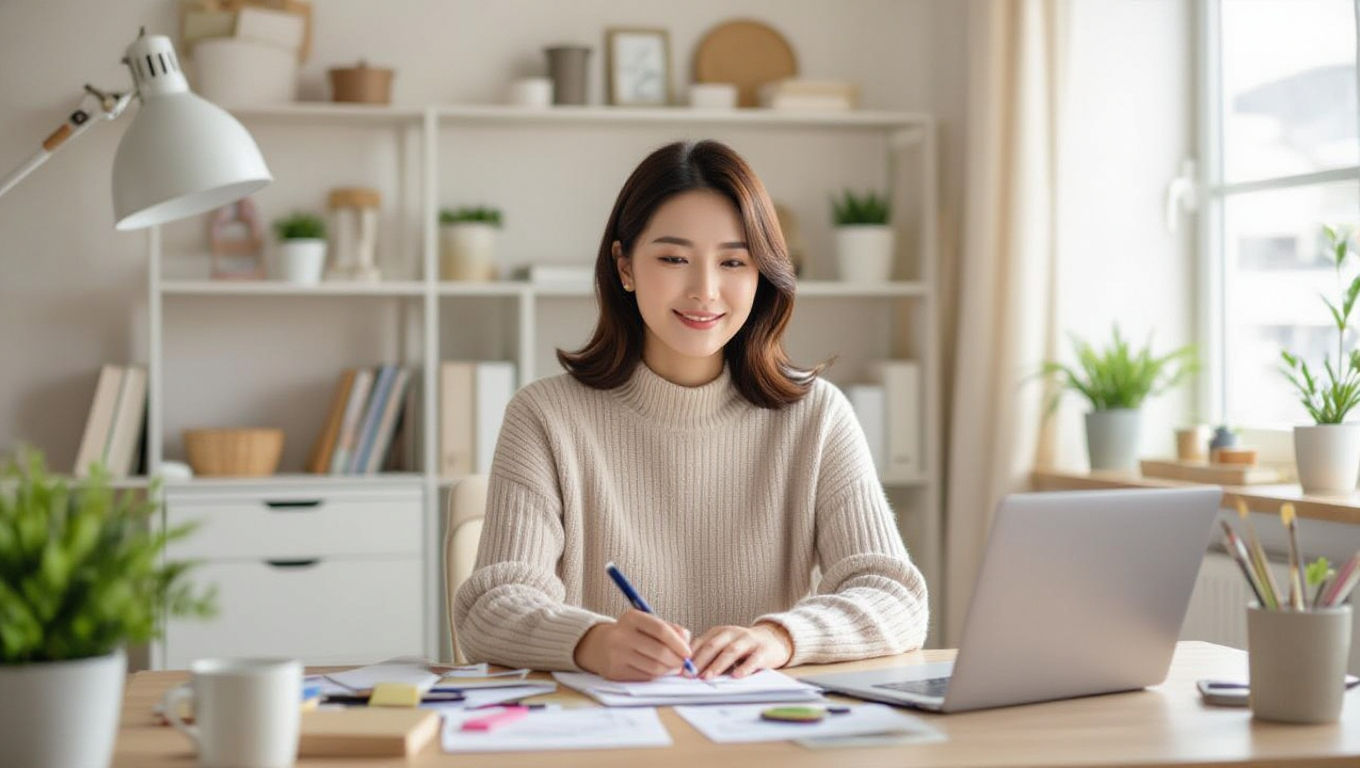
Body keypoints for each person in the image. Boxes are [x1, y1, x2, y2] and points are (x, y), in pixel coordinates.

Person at [453, 139, 928, 681]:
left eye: (733, 261)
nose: (704, 290)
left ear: (762, 275)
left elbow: (896, 598)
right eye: (674, 258)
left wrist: (780, 639)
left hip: (761, 736)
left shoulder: (816, 417)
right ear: (624, 266)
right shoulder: (545, 416)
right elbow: (488, 607)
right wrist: (593, 642)